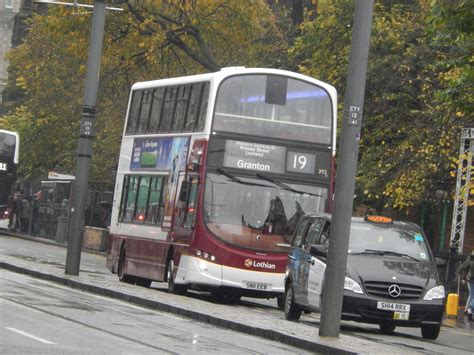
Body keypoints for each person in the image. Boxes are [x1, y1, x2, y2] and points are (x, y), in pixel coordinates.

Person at [458, 251, 474, 321]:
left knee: (472, 295)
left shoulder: (471, 257)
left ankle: (469, 309)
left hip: (471, 279)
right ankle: (470, 308)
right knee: (472, 295)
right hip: (471, 279)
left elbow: (463, 267)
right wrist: (463, 277)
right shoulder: (471, 258)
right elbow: (464, 268)